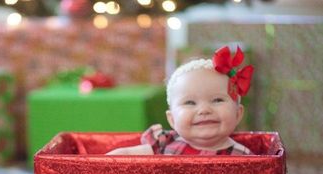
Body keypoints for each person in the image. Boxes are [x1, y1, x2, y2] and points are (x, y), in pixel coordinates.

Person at [106, 45, 254, 155]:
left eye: (217, 100)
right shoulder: (164, 145)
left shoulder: (243, 156)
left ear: (238, 113)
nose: (204, 110)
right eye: (190, 103)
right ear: (171, 119)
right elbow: (128, 155)